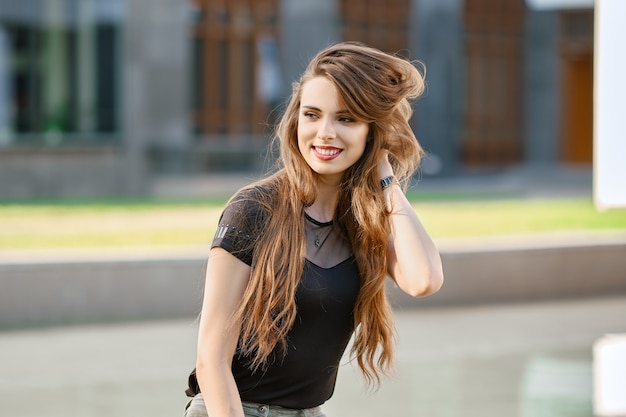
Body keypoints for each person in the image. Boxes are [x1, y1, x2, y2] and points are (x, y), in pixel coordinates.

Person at [183, 41, 444, 417]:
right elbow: (211, 359)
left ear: (374, 132)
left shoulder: (363, 221)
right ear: (296, 120)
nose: (324, 132)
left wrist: (386, 178)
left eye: (346, 119)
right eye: (312, 114)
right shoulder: (253, 210)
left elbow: (424, 280)